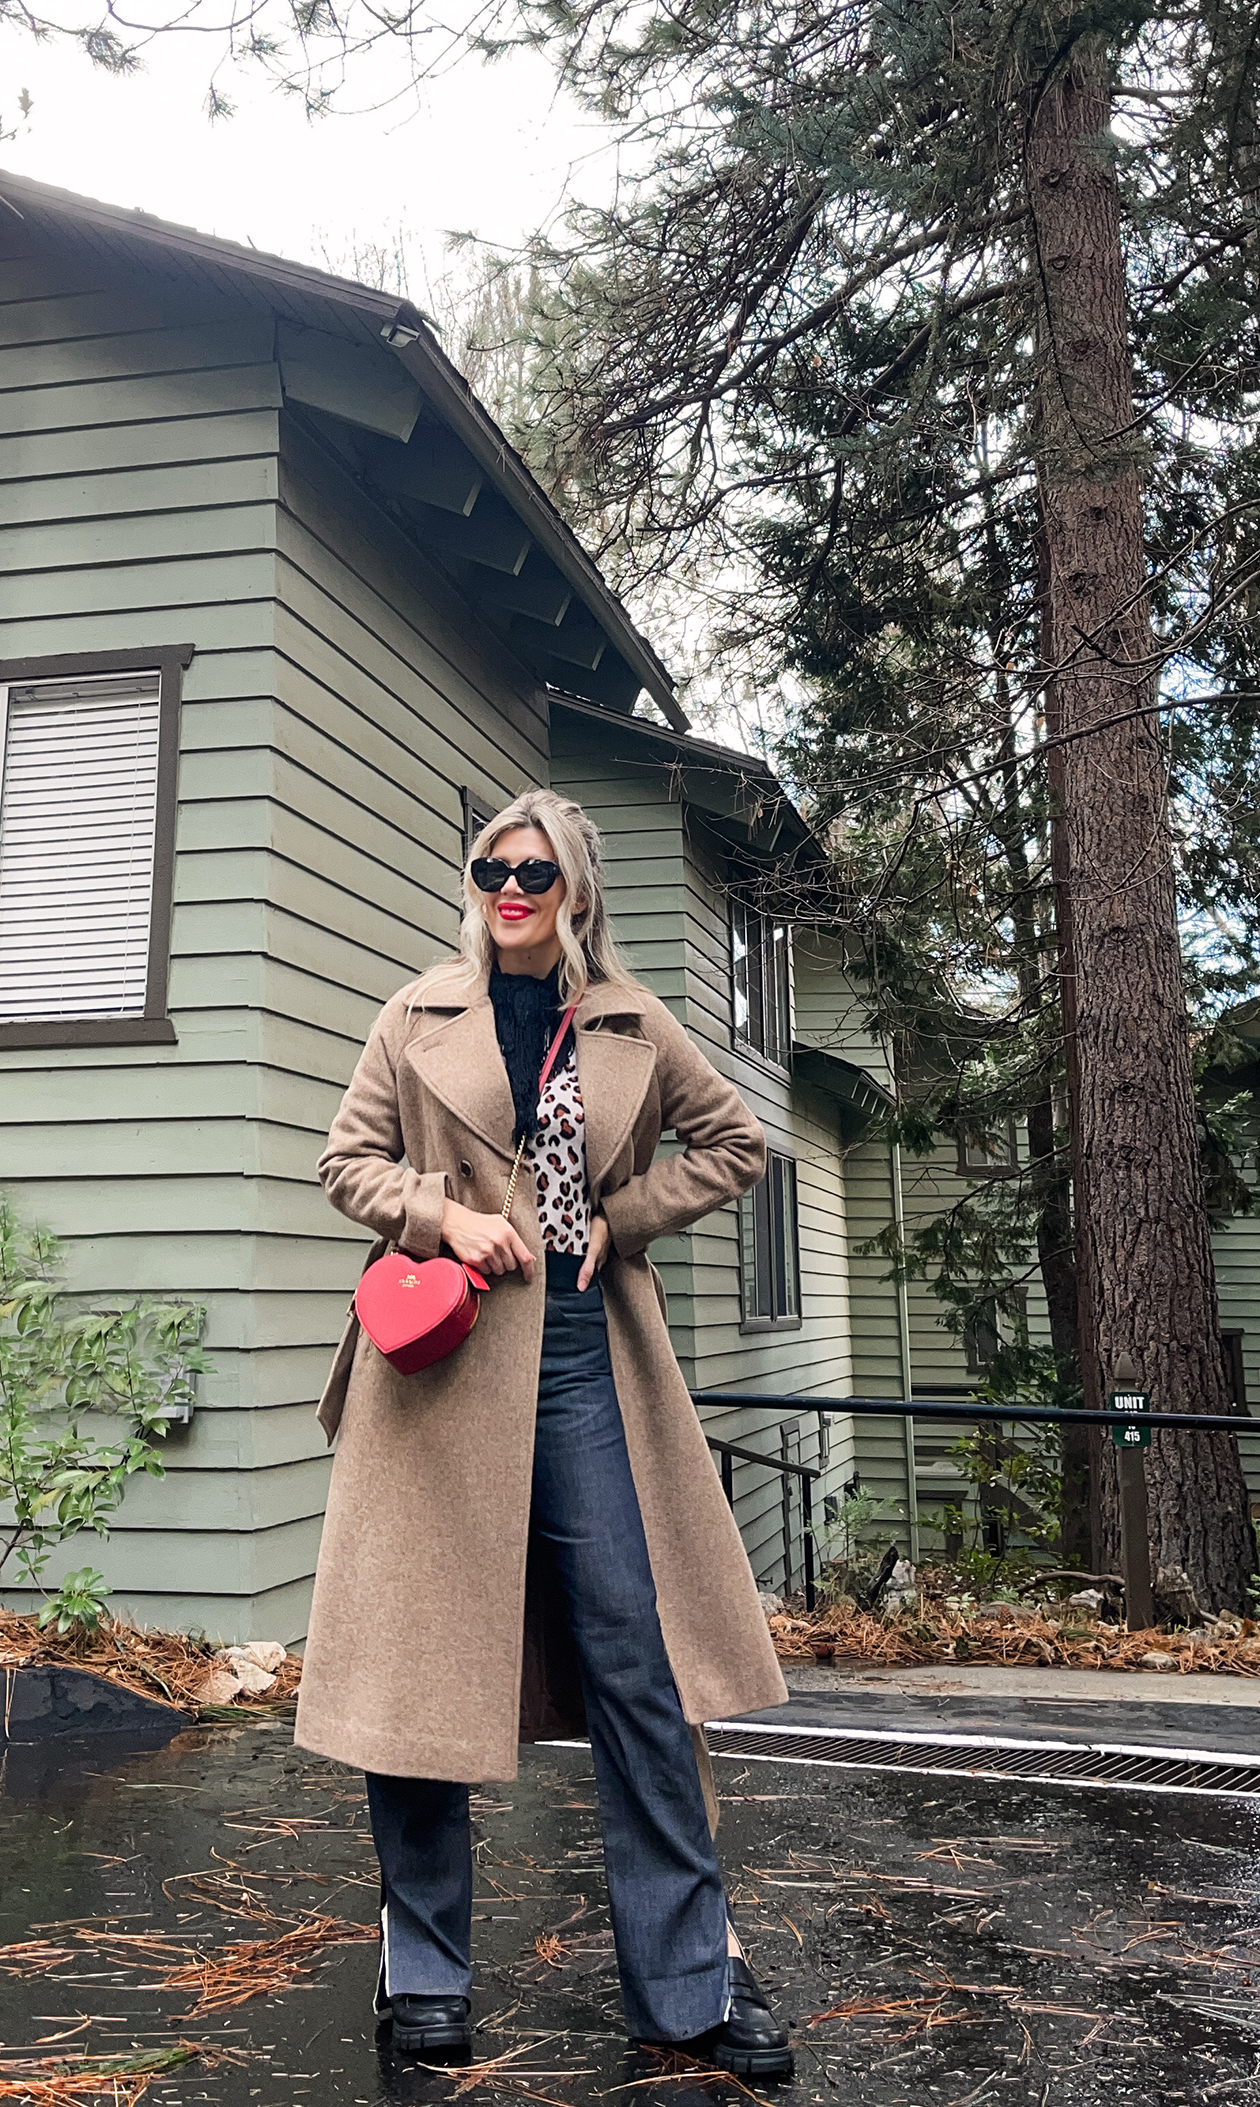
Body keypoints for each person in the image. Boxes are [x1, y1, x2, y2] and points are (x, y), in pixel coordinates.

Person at [294, 789, 793, 2079]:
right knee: (419, 1674)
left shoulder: (631, 1019)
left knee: (640, 1668)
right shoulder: (416, 1015)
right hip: (441, 1373)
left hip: (587, 1367)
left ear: (576, 888)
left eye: (534, 875)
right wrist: (438, 1218)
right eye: (490, 871)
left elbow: (736, 1142)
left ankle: (688, 1982)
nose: (509, 892)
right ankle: (424, 1974)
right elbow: (346, 1160)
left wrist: (619, 1221)